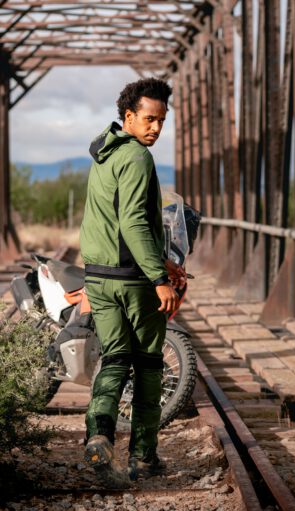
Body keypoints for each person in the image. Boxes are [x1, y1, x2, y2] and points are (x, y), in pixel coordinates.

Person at [79, 77, 184, 485]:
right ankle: (143, 456)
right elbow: (135, 222)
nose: (156, 128)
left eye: (161, 120)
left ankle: (99, 436)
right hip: (134, 282)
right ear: (129, 117)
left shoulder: (105, 153)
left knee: (114, 360)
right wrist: (159, 277)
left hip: (100, 279)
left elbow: (114, 223)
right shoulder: (139, 158)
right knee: (148, 367)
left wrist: (159, 259)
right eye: (149, 119)